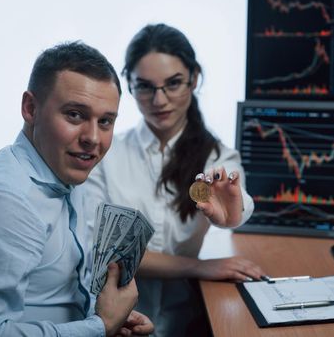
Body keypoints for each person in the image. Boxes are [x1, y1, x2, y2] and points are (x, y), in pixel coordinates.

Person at [0, 41, 154, 336]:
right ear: (30, 108)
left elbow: (59, 294)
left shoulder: (65, 171)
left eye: (105, 121)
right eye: (75, 115)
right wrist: (99, 327)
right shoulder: (4, 202)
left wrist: (110, 318)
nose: (93, 138)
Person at [83, 23, 265, 336]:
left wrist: (233, 213)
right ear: (129, 84)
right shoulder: (105, 153)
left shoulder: (217, 156)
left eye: (173, 83)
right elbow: (108, 252)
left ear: (194, 79)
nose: (160, 99)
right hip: (114, 323)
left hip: (188, 319)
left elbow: (239, 205)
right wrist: (200, 267)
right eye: (145, 86)